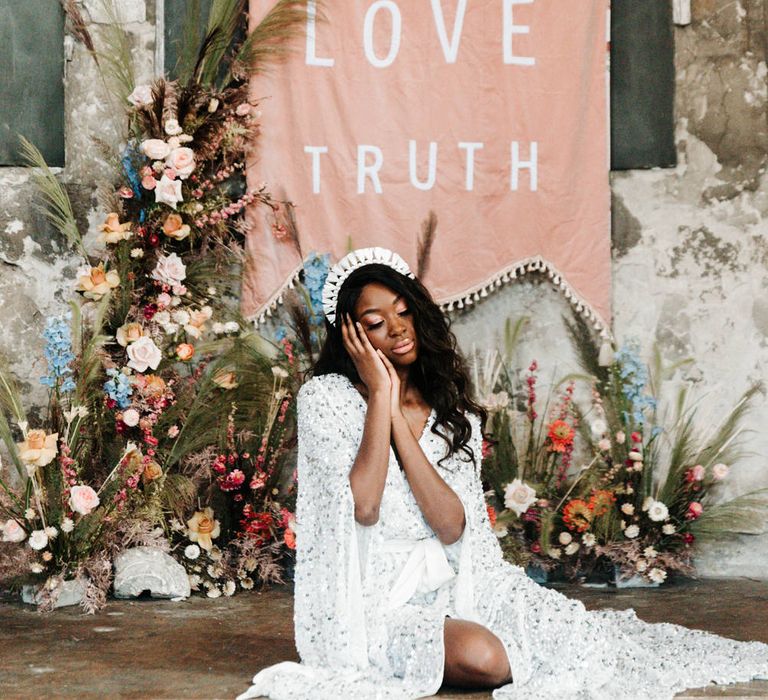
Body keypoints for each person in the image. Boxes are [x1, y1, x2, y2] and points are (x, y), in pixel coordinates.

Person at [239, 247, 768, 700]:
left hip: (458, 580)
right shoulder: (327, 399)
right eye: (376, 323)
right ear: (351, 335)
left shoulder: (451, 413)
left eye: (403, 312)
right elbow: (365, 507)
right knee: (487, 658)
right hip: (375, 602)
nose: (397, 329)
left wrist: (401, 417)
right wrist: (380, 394)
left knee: (577, 641)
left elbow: (451, 527)